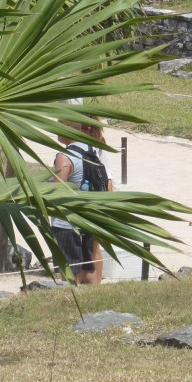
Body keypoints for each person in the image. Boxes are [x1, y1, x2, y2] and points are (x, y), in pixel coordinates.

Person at [50, 122, 97, 284]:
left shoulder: (65, 156)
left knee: (68, 271)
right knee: (86, 269)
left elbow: (57, 189)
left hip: (66, 223)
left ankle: (71, 301)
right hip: (87, 218)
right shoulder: (90, 149)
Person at [80, 119, 114, 282]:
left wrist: (105, 206)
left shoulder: (99, 148)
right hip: (87, 198)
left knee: (93, 246)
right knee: (88, 246)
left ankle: (95, 282)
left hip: (94, 200)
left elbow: (108, 180)